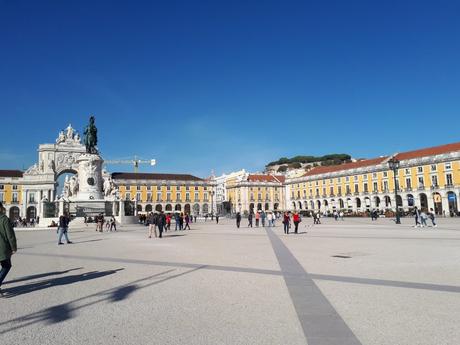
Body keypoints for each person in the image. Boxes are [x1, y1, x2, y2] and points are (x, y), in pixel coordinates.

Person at [0, 202, 17, 295]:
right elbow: (10, 235)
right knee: (6, 266)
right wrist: (13, 247)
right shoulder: (4, 219)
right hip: (2, 247)